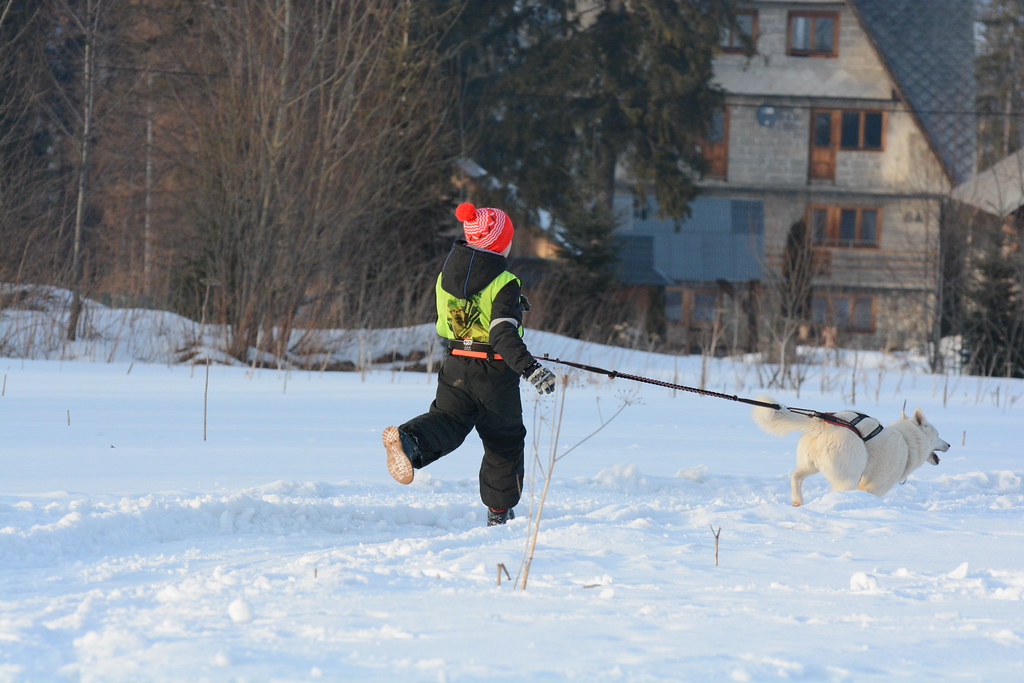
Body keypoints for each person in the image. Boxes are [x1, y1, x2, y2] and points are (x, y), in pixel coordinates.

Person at [382, 202, 556, 526]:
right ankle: (499, 511)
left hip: (455, 364)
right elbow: (503, 333)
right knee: (504, 438)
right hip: (493, 375)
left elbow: (442, 325)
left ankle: (409, 441)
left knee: (447, 419)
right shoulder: (504, 281)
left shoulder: (444, 276)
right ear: (499, 242)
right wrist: (530, 368)